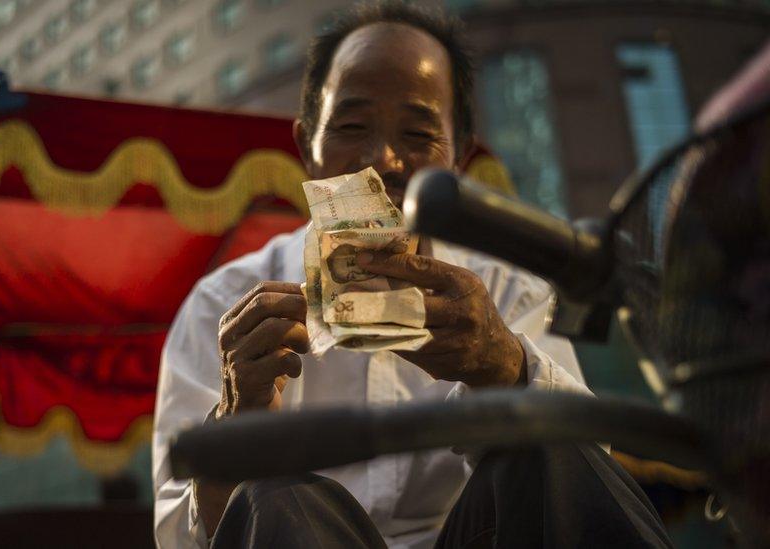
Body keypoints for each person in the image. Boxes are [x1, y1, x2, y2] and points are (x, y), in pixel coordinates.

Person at [152, 2, 672, 547]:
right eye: (352, 126)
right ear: (307, 146)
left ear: (459, 156)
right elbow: (173, 536)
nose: (383, 160)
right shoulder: (223, 305)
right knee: (271, 494)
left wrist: (505, 367)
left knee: (545, 437)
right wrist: (233, 434)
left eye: (419, 134)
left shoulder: (509, 292)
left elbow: (580, 485)